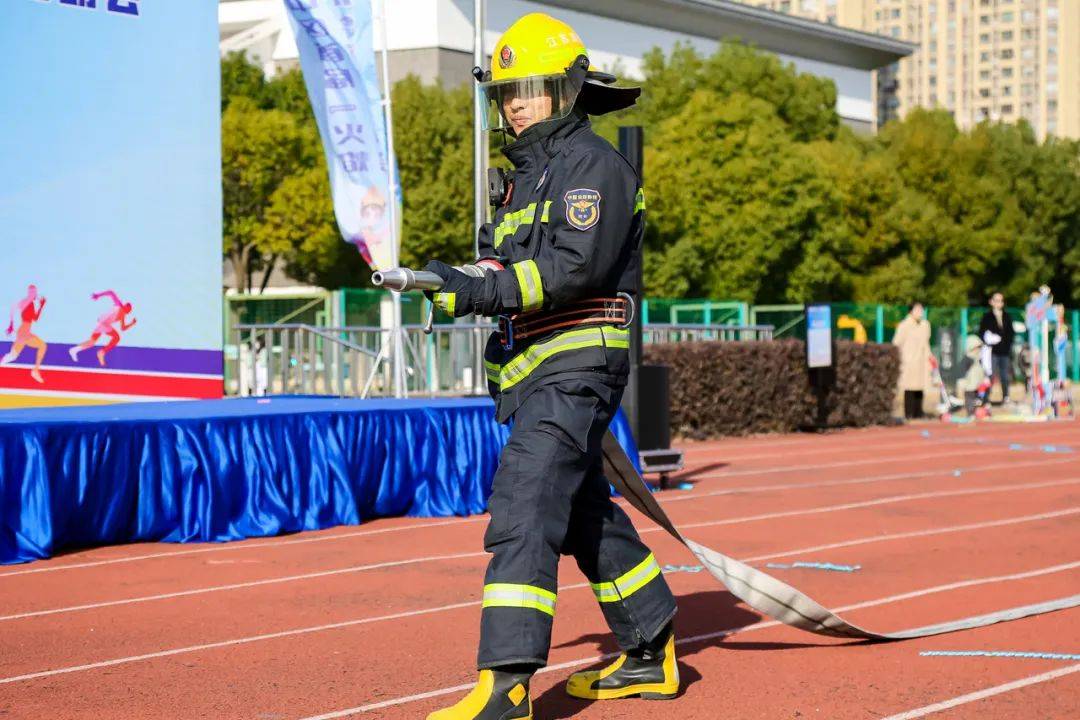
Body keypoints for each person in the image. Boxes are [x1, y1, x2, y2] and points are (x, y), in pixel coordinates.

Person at [421, 13, 678, 720]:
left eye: (528, 89)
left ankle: (505, 686)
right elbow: (502, 266)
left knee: (526, 503)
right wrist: (449, 280)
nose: (514, 103)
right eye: (505, 92)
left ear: (566, 90)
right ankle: (651, 645)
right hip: (535, 373)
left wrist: (484, 287)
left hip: (577, 365)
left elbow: (571, 267)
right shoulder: (520, 181)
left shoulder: (594, 166)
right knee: (579, 513)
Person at [69, 290, 137, 367]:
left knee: (92, 342)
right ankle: (101, 352)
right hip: (103, 323)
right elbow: (111, 293)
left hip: (103, 323)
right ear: (125, 306)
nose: (127, 311)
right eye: (128, 308)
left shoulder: (123, 315)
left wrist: (132, 323)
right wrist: (98, 295)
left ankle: (74, 350)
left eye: (129, 310)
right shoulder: (119, 305)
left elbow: (123, 328)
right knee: (115, 337)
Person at [1, 284, 48, 383]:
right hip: (23, 332)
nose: (34, 294)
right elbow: (15, 308)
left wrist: (41, 305)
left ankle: (35, 370)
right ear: (29, 292)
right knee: (42, 346)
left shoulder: (29, 303)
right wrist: (11, 324)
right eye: (32, 292)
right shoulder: (26, 302)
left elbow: (34, 318)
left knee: (12, 355)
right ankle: (35, 370)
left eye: (35, 292)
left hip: (24, 331)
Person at [892, 302, 931, 419]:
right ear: (910, 311)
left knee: (920, 386)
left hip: (922, 360)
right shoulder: (904, 325)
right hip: (908, 361)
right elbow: (896, 342)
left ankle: (918, 412)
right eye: (917, 310)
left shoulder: (925, 325)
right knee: (909, 387)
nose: (920, 312)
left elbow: (926, 343)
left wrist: (930, 356)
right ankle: (909, 413)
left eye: (921, 310)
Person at [977, 292, 1015, 405]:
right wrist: (989, 341)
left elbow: (1011, 333)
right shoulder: (987, 317)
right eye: (996, 300)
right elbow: (982, 333)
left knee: (1005, 375)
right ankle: (986, 398)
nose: (999, 303)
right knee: (990, 374)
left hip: (1004, 351)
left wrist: (1007, 345)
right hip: (991, 352)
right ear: (991, 302)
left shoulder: (1007, 316)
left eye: (1001, 300)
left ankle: (1006, 396)